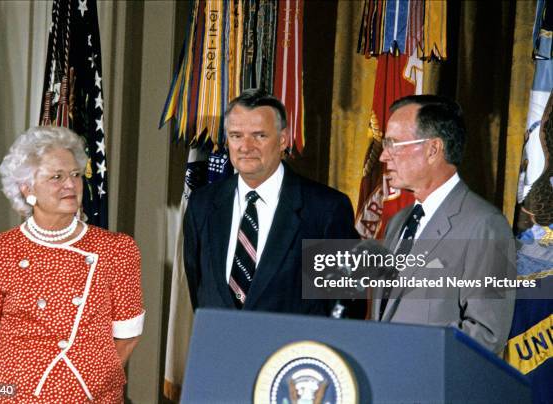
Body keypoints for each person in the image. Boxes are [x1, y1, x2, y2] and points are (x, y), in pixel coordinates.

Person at [0, 126, 144, 402]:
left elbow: (127, 337)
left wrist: (91, 382)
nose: (70, 185)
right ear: (27, 188)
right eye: (56, 177)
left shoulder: (117, 249)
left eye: (75, 175)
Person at [183, 88, 362, 316]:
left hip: (293, 350)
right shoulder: (202, 204)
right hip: (221, 348)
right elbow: (198, 291)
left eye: (259, 136)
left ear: (283, 140)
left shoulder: (326, 209)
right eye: (236, 136)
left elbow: (346, 306)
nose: (246, 147)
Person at [373, 95, 515, 354]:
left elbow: (486, 334)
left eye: (393, 144)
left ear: (433, 149)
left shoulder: (486, 227)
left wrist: (407, 360)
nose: (383, 156)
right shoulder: (398, 223)